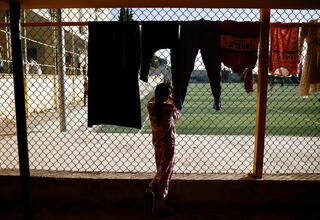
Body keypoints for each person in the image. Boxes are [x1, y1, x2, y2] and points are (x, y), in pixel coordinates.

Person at [145, 82, 180, 214]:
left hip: (158, 144)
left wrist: (162, 92)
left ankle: (156, 198)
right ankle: (154, 193)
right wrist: (171, 97)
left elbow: (152, 100)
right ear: (167, 96)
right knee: (165, 174)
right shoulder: (170, 107)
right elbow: (177, 117)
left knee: (161, 169)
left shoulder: (151, 106)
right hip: (169, 145)